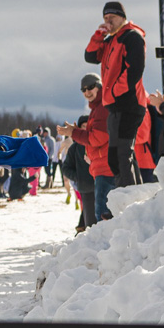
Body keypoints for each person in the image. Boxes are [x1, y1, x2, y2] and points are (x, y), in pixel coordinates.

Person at [84, 1, 147, 190]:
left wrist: (113, 92)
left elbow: (135, 70)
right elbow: (90, 57)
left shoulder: (132, 36)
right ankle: (136, 195)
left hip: (129, 103)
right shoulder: (111, 39)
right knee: (121, 156)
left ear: (122, 17)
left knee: (120, 156)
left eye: (112, 17)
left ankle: (128, 199)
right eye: (105, 18)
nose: (108, 21)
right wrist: (98, 36)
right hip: (114, 106)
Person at [58, 74, 113, 220]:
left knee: (102, 218)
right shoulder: (96, 108)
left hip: (105, 169)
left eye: (90, 87)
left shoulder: (102, 107)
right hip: (97, 171)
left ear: (99, 86)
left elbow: (98, 138)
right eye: (83, 89)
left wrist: (74, 133)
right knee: (97, 217)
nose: (87, 92)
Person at [60, 114, 96, 230]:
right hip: (86, 188)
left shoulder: (97, 143)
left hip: (101, 184)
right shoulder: (74, 148)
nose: (85, 129)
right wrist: (78, 177)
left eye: (87, 126)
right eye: (83, 126)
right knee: (90, 221)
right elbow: (66, 168)